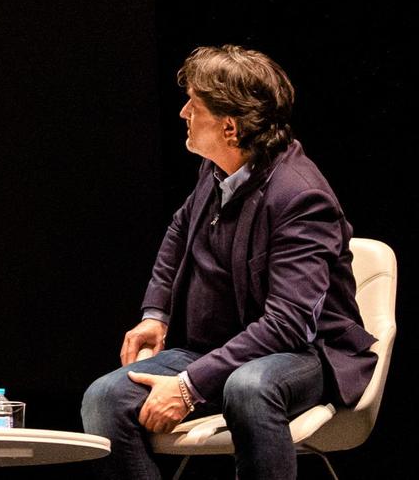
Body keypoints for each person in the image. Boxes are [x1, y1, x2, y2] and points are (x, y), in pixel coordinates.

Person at [80, 46, 376, 480]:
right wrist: (156, 314)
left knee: (249, 387)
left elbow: (290, 324)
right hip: (221, 350)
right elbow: (180, 231)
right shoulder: (217, 169)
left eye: (193, 105)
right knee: (104, 397)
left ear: (230, 126)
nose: (182, 112)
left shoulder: (300, 196)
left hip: (305, 354)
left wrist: (189, 386)